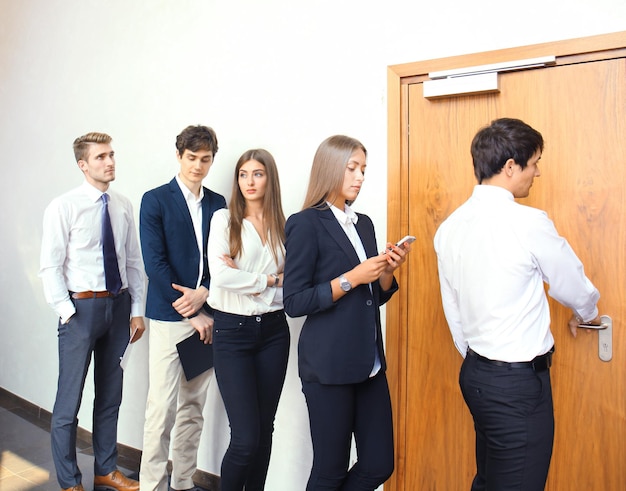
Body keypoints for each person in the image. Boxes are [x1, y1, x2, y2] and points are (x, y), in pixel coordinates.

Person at [433, 117, 601, 491]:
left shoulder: (450, 227)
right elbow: (572, 284)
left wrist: (481, 360)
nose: (537, 173)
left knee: (490, 480)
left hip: (477, 375)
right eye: (534, 162)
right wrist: (587, 313)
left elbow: (453, 309)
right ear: (511, 167)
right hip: (517, 386)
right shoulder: (527, 222)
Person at [283, 135, 411, 491]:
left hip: (369, 366)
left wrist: (386, 271)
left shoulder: (363, 223)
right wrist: (350, 279)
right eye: (352, 168)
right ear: (330, 168)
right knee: (330, 471)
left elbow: (372, 298)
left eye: (363, 170)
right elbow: (294, 301)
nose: (359, 177)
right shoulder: (305, 223)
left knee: (379, 464)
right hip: (328, 367)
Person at [40, 132, 146, 491]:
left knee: (110, 395)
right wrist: (68, 312)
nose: (110, 161)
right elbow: (50, 267)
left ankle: (106, 469)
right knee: (68, 404)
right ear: (83, 164)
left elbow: (133, 261)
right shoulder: (63, 206)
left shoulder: (122, 205)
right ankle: (70, 481)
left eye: (112, 154)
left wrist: (136, 310)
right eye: (101, 156)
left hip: (117, 308)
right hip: (80, 309)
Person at [139, 125, 226, 491]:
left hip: (207, 319)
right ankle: (153, 485)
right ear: (179, 156)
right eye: (192, 158)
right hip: (170, 318)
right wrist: (191, 312)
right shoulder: (155, 200)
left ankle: (184, 482)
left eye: (205, 159)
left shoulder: (218, 203)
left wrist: (204, 294)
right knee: (161, 411)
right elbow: (155, 265)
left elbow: (224, 259)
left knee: (193, 409)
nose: (198, 166)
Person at [207, 148, 290, 491]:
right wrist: (270, 281)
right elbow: (221, 278)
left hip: (273, 332)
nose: (249, 181)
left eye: (257, 173)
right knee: (245, 438)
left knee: (265, 430)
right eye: (243, 174)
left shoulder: (285, 226)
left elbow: (295, 287)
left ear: (270, 178)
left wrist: (249, 280)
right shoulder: (223, 220)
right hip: (233, 333)